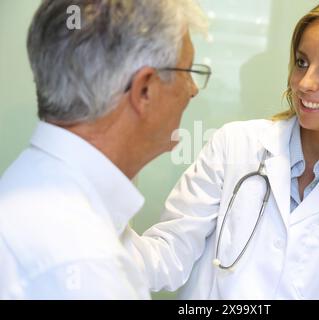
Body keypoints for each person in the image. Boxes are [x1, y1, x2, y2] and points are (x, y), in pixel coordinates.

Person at [133, 0, 319, 299]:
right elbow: (166, 256)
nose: (305, 83)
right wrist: (95, 219)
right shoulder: (234, 145)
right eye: (302, 62)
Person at [0, 0, 210, 299]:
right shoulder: (89, 266)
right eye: (187, 71)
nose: (193, 89)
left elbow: (155, 260)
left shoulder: (29, 181)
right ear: (145, 90)